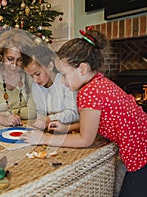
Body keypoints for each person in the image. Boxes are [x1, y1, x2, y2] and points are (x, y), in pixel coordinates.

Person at [21, 29, 147, 196]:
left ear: (82, 68)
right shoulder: (99, 82)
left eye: (64, 75)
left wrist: (44, 138)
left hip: (141, 151)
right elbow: (95, 121)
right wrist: (69, 127)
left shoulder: (89, 92)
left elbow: (86, 139)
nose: (63, 82)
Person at [0, 29, 37, 126]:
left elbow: (33, 111)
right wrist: (0, 118)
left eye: (19, 60)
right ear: (1, 56)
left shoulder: (27, 72)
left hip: (25, 126)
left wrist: (6, 114)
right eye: (10, 59)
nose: (14, 65)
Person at [22, 44, 79, 130]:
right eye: (31, 76)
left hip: (71, 129)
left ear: (50, 66)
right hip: (53, 129)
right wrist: (40, 121)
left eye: (37, 74)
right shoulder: (36, 86)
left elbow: (73, 113)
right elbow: (41, 111)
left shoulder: (65, 82)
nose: (35, 80)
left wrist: (48, 119)